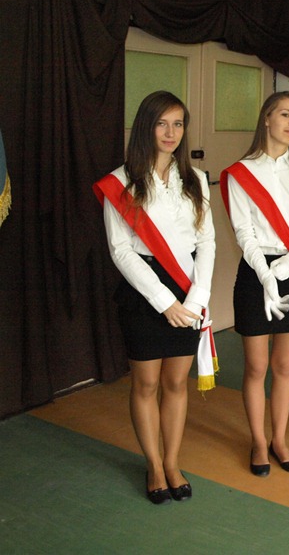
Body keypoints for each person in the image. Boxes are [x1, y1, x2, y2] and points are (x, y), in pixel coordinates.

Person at [94, 91, 215, 504]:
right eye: (162, 123)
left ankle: (173, 462)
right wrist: (164, 302)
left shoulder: (195, 179)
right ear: (146, 126)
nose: (170, 132)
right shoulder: (122, 181)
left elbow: (207, 242)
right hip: (144, 292)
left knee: (176, 382)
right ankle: (153, 465)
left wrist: (196, 298)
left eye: (178, 124)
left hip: (188, 289)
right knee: (146, 383)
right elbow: (121, 251)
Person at [221, 91, 289, 477]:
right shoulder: (240, 173)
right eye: (285, 115)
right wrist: (265, 274)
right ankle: (259, 442)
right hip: (254, 271)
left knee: (283, 364)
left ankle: (279, 439)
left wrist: (287, 265)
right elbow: (243, 232)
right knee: (256, 366)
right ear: (266, 118)